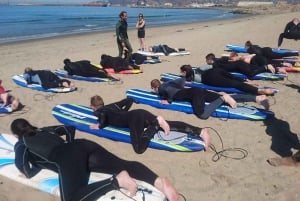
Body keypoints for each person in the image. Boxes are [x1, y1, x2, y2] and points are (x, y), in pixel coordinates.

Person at [11, 118, 179, 201]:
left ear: (16, 135)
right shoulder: (43, 130)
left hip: (67, 157)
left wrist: (30, 172)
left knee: (71, 199)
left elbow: (22, 166)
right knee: (123, 164)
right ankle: (159, 182)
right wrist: (70, 145)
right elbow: (68, 128)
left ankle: (117, 181)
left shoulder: (21, 143)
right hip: (84, 146)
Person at [89, 96, 211, 152]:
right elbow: (129, 99)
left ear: (94, 107)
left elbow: (103, 117)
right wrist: (125, 111)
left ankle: (155, 125)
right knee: (169, 124)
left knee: (139, 148)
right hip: (139, 113)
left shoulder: (100, 111)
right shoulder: (112, 105)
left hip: (134, 119)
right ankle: (200, 131)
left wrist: (99, 126)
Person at [151, 77, 269, 120]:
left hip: (194, 94)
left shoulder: (161, 88)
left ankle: (223, 98)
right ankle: (256, 98)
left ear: (155, 87)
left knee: (202, 114)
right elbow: (182, 80)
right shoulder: (169, 82)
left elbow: (166, 92)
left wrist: (168, 100)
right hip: (198, 90)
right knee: (224, 98)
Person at [203, 55, 277, 95]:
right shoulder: (220, 59)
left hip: (240, 66)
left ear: (210, 60)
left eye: (206, 61)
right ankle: (275, 67)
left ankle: (265, 67)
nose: (206, 62)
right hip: (239, 65)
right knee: (254, 68)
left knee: (250, 75)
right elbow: (230, 58)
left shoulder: (215, 64)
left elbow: (225, 73)